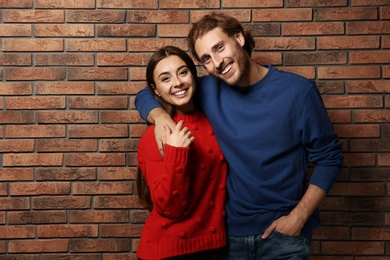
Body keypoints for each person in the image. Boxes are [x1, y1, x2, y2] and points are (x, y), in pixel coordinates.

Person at [135, 13, 343, 260]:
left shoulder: (298, 92)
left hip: (283, 236)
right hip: (229, 238)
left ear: (239, 38)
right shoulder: (209, 89)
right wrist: (160, 117)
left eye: (220, 48)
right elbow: (149, 91)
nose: (217, 62)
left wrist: (297, 218)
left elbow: (329, 158)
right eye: (206, 59)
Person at [136, 45, 228, 260]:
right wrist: (176, 152)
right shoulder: (156, 135)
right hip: (168, 251)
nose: (178, 83)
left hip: (214, 247)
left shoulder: (211, 119)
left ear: (193, 75)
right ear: (156, 89)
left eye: (183, 72)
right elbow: (170, 208)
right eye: (165, 78)